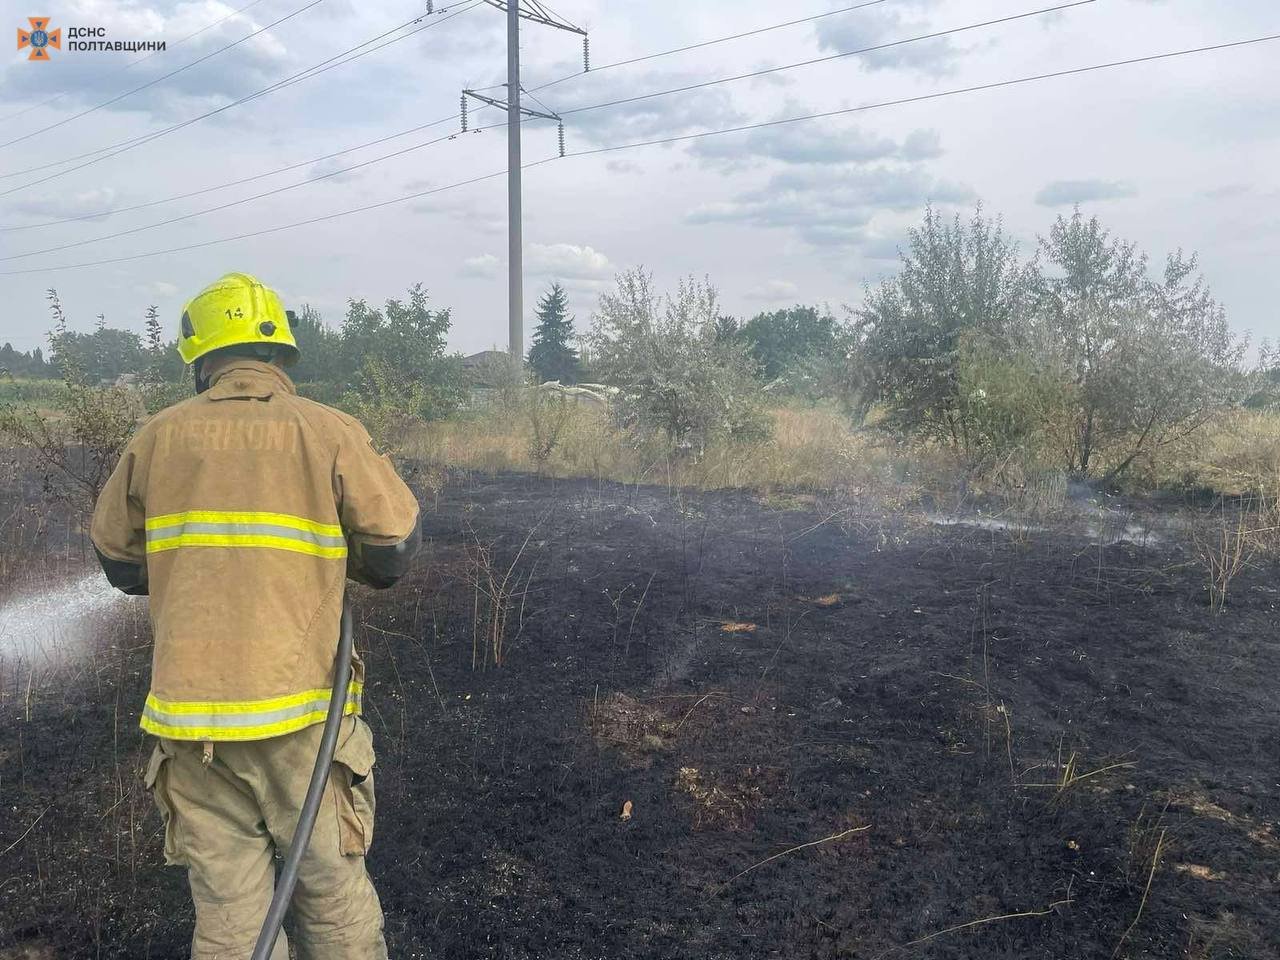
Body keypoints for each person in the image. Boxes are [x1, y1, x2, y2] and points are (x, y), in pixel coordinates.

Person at [90, 272, 421, 960]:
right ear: (279, 353)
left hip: (192, 727)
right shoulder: (328, 431)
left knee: (230, 917)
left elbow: (119, 562)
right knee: (331, 900)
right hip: (302, 722)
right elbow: (393, 548)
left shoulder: (156, 437)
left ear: (201, 358)